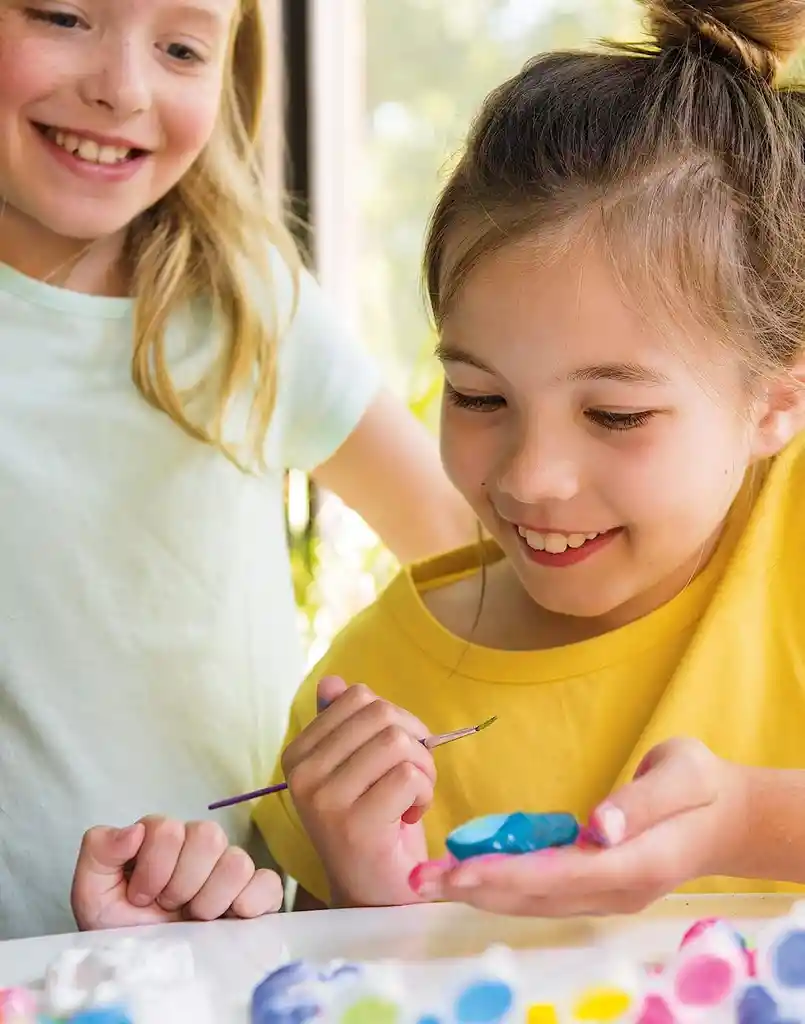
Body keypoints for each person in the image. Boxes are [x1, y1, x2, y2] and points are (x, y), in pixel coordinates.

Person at [65, 0, 805, 931]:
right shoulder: (372, 691)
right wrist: (369, 897)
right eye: (478, 397)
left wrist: (741, 822)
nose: (531, 477)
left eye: (615, 414)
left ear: (776, 403)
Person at [0, 0, 473, 940]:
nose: (121, 88)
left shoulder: (247, 306)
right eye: (62, 16)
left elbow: (465, 555)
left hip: (222, 938)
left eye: (181, 47)